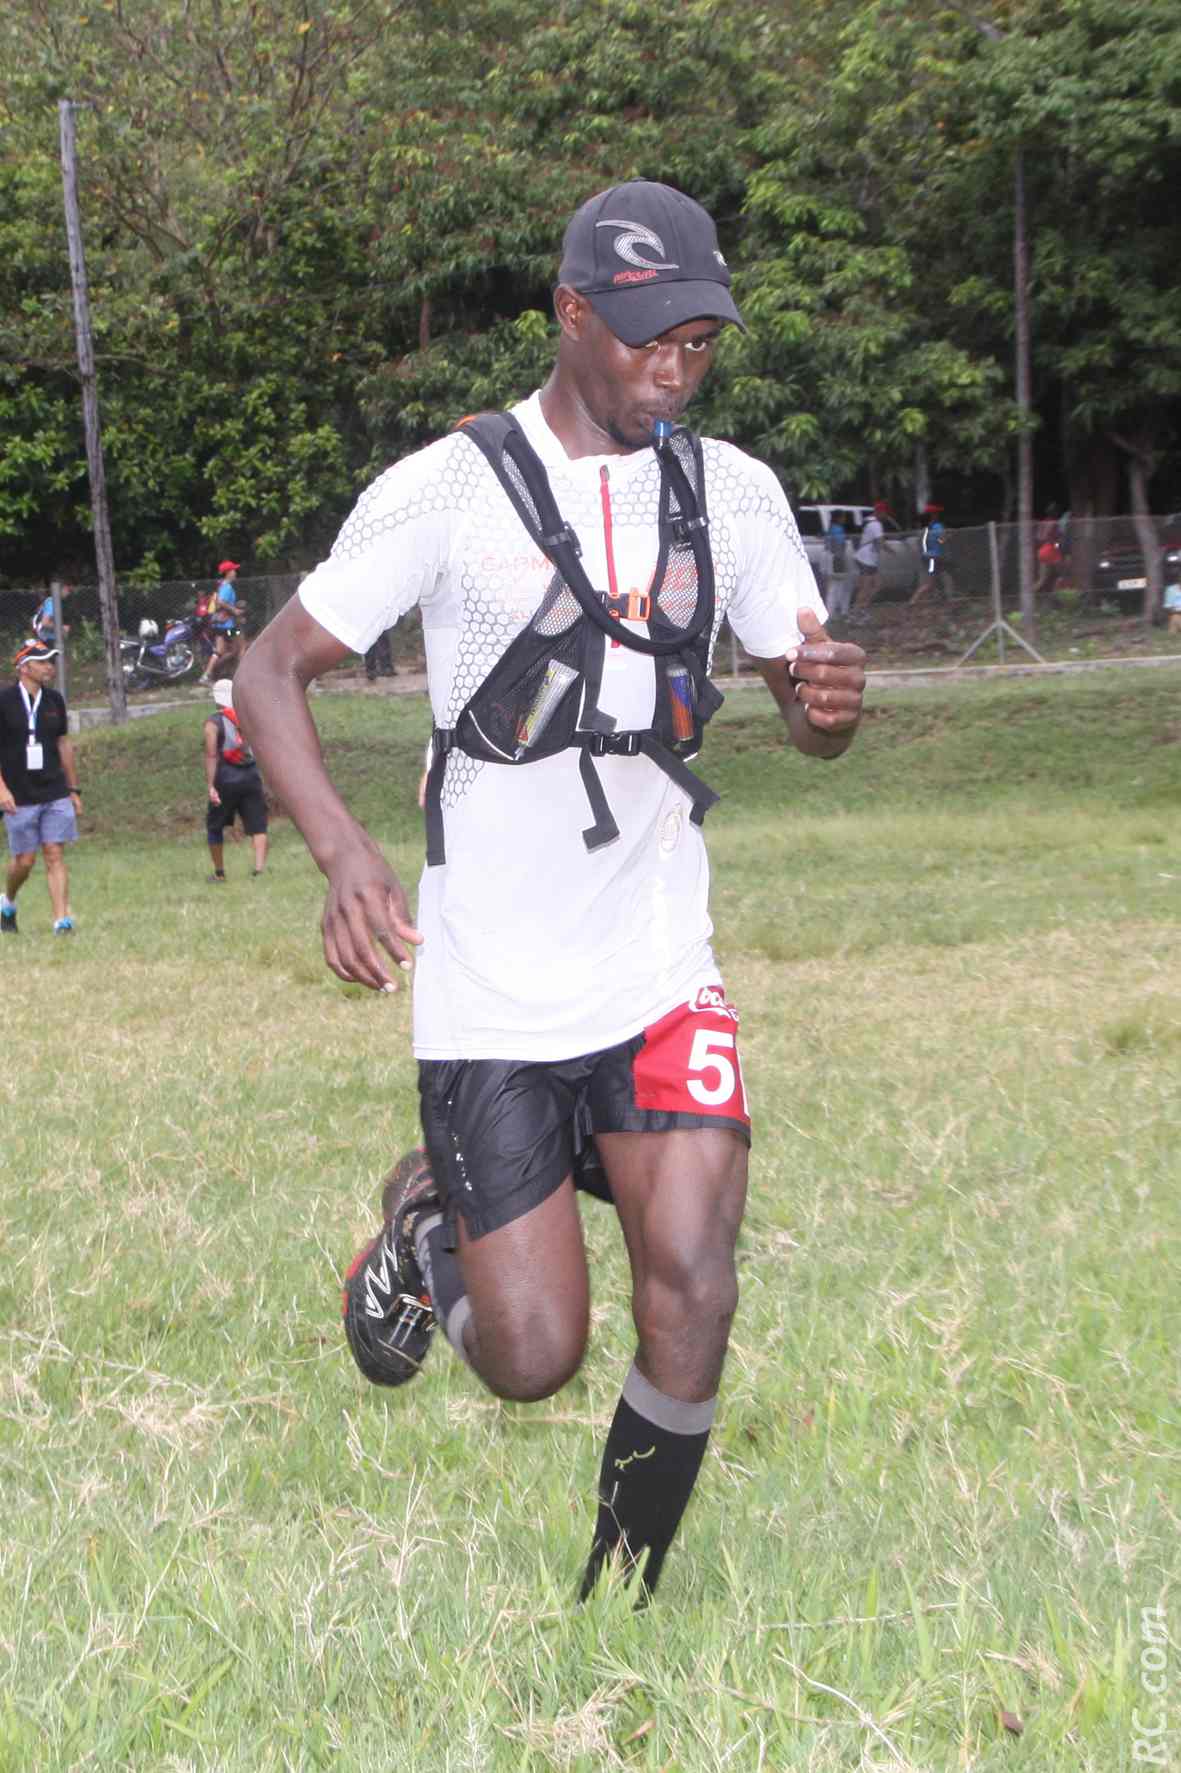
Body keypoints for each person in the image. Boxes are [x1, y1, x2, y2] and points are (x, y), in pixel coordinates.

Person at [236, 179, 866, 1604]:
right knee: (531, 1356)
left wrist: (830, 698)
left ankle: (621, 1596)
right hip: (491, 982)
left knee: (694, 1279)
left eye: (698, 343)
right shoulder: (451, 486)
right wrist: (342, 851)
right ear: (571, 313)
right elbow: (269, 670)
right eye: (648, 335)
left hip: (654, 959)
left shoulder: (733, 491)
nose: (673, 366)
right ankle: (422, 1216)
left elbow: (811, 706)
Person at [0, 640, 83, 935]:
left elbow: (63, 743)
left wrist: (73, 790)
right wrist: (2, 790)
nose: (50, 666)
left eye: (51, 661)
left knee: (54, 853)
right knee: (24, 860)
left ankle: (62, 920)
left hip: (54, 790)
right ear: (24, 667)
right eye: (43, 661)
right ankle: (7, 902)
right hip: (18, 794)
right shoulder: (5, 700)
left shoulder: (55, 701)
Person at [204, 676, 268, 881]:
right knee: (258, 824)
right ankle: (258, 870)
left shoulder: (213, 722)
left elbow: (212, 754)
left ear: (216, 698)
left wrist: (211, 785)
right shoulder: (248, 716)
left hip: (225, 778)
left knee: (215, 826)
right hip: (251, 775)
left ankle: (220, 873)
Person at [199, 560, 243, 683]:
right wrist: (234, 610)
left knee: (220, 651)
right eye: (233, 570)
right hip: (228, 627)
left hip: (220, 626)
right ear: (228, 573)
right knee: (241, 647)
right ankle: (243, 677)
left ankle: (208, 674)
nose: (235, 572)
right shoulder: (227, 587)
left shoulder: (221, 585)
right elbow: (221, 602)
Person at [852, 500, 890, 617]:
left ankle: (862, 607)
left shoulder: (870, 522)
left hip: (868, 559)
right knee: (865, 587)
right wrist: (890, 550)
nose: (885, 515)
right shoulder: (876, 524)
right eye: (884, 512)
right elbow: (880, 541)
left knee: (878, 584)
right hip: (866, 559)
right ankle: (856, 612)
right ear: (879, 512)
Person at [910, 503, 949, 605]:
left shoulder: (926, 528)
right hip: (933, 557)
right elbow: (941, 540)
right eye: (936, 513)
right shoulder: (937, 526)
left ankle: (934, 600)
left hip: (927, 556)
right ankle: (913, 601)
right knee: (930, 583)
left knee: (936, 579)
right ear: (933, 515)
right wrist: (947, 537)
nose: (938, 515)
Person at [823, 510, 853, 620]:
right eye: (843, 517)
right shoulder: (838, 530)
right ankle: (839, 611)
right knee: (839, 586)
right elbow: (839, 547)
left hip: (830, 558)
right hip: (837, 559)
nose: (844, 519)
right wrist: (841, 562)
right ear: (839, 518)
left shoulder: (830, 529)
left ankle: (833, 611)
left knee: (834, 586)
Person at [1034, 504, 1063, 596]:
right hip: (1051, 549)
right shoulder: (1055, 523)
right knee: (1060, 574)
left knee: (1042, 578)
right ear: (1055, 513)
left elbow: (1038, 537)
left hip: (1041, 550)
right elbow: (1058, 537)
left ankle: (1029, 594)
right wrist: (1057, 544)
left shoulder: (1042, 523)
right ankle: (1054, 595)